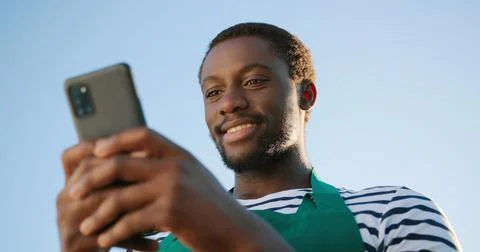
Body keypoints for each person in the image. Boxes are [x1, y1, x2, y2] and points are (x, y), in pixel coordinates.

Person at [56, 22, 462, 252]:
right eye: (212, 92)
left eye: (253, 81)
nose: (228, 103)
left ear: (305, 95)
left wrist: (234, 237)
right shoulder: (156, 242)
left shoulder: (392, 211)